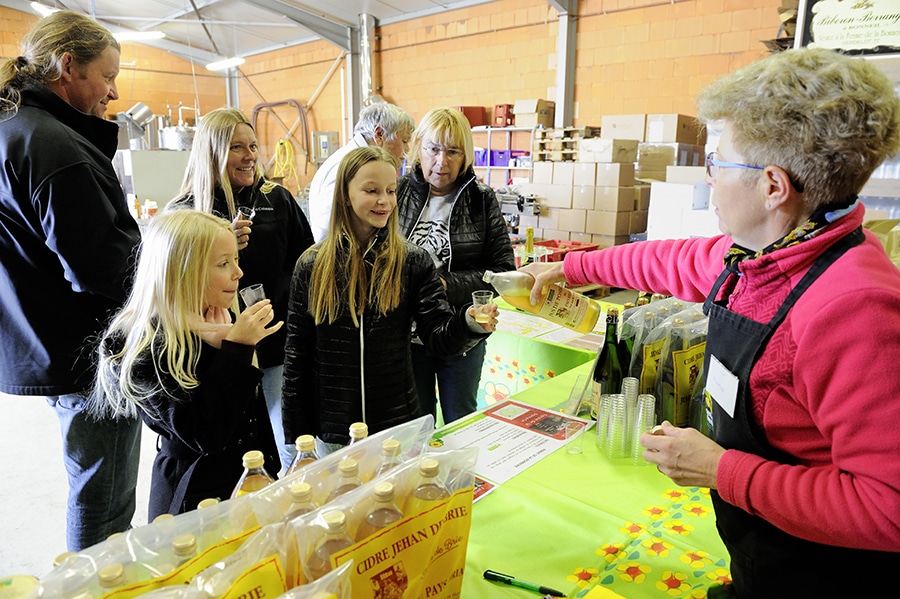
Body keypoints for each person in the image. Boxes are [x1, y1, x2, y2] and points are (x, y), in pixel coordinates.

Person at [523, 48, 900, 597]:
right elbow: (670, 259)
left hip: (824, 573)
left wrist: (723, 472)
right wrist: (572, 268)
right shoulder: (765, 252)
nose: (710, 177)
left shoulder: (854, 309)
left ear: (773, 187)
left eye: (718, 162)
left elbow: (887, 508)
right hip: (760, 547)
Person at [0, 11, 142, 551]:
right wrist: (169, 281)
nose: (113, 90)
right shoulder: (53, 144)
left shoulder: (13, 128)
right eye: (107, 75)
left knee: (92, 482)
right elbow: (101, 265)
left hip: (42, 339)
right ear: (67, 66)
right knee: (104, 499)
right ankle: (99, 583)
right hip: (89, 353)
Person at [282, 146, 497, 456]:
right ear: (345, 194)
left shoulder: (412, 261)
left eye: (391, 191)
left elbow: (437, 335)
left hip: (398, 427)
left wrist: (468, 323)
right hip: (335, 432)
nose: (384, 200)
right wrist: (296, 442)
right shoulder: (313, 265)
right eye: (372, 190)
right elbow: (297, 357)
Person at [93, 209, 281, 518]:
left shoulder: (216, 319)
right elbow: (206, 433)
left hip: (245, 479)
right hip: (193, 495)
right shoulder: (143, 347)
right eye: (223, 264)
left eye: (235, 260)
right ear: (181, 272)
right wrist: (238, 349)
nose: (238, 273)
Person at [169, 107, 314, 474]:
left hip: (275, 340)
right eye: (237, 147)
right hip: (213, 350)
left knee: (286, 436)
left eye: (253, 145)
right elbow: (167, 285)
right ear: (212, 152)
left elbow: (307, 261)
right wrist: (216, 247)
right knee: (231, 439)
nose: (250, 156)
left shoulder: (276, 199)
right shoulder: (184, 214)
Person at [396, 107, 515, 424]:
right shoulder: (397, 194)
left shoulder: (482, 199)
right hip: (406, 337)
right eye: (433, 149)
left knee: (460, 420)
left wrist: (447, 284)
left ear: (466, 156)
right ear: (418, 147)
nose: (441, 162)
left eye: (452, 151)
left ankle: (460, 476)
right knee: (414, 424)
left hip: (461, 332)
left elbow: (503, 273)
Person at [307, 101, 415, 242]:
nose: (407, 149)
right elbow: (326, 229)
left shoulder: (365, 164)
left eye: (391, 191)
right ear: (379, 134)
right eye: (404, 141)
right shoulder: (345, 166)